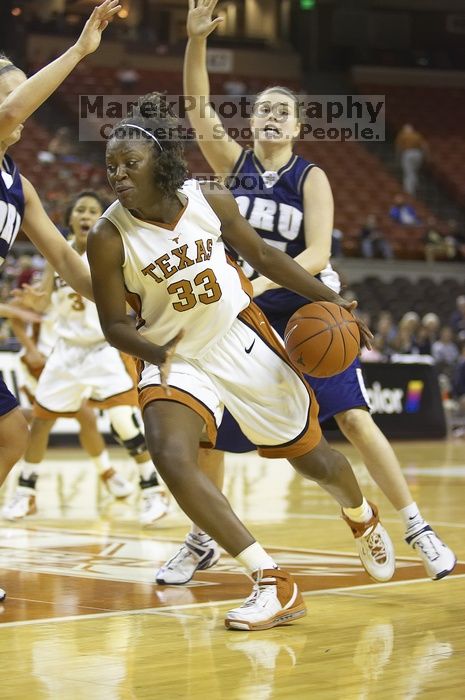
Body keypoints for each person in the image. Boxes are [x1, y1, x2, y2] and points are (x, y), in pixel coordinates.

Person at [155, 0, 456, 589]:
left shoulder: (310, 177)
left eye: (281, 112)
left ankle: (419, 529)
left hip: (308, 305)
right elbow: (196, 108)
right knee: (208, 425)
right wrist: (195, 41)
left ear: (296, 128)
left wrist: (263, 279)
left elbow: (317, 254)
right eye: (263, 109)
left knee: (356, 419)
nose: (270, 117)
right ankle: (202, 538)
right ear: (251, 123)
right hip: (243, 317)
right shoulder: (233, 164)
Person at [87, 97, 397, 632]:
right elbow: (114, 325)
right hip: (175, 356)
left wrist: (337, 302)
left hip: (240, 336)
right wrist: (158, 354)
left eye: (128, 164)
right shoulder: (108, 236)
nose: (116, 175)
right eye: (110, 165)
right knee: (170, 454)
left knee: (314, 459)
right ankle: (272, 580)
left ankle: (360, 514)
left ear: (159, 160)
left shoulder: (210, 200)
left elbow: (269, 260)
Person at [0, 0, 122, 602]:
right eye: (14, 93)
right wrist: (78, 51)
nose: (23, 104)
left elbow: (67, 261)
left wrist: (120, 296)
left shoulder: (17, 185)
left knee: (12, 435)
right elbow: (14, 108)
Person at [3, 191, 169, 524]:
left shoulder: (112, 251)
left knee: (124, 420)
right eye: (79, 210)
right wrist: (33, 302)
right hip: (65, 351)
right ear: (70, 218)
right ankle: (26, 491)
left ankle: (153, 492)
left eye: (93, 211)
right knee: (41, 422)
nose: (85, 215)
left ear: (101, 219)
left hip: (102, 348)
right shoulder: (59, 254)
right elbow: (44, 302)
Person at [394, 123, 428, 196]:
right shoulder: (417, 135)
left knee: (408, 172)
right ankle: (416, 185)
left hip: (408, 153)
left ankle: (409, 191)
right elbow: (424, 146)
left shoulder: (402, 135)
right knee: (414, 171)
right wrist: (425, 156)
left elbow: (398, 147)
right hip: (418, 154)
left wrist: (397, 157)